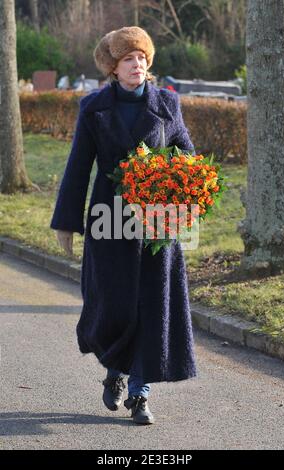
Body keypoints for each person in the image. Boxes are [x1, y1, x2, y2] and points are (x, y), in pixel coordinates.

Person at [50, 26, 197, 426]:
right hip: (108, 220)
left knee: (152, 303)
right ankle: (115, 372)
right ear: (113, 67)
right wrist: (66, 223)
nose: (138, 65)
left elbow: (186, 154)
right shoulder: (93, 107)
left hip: (156, 223)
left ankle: (141, 392)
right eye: (129, 59)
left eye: (143, 58)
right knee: (113, 302)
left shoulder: (167, 103)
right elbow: (79, 167)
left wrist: (185, 194)